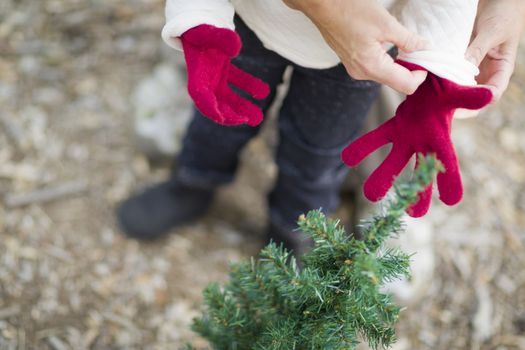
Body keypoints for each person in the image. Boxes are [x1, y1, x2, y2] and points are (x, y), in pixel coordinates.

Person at [117, 0, 525, 253]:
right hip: (252, 20)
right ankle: (194, 182)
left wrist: (436, 76)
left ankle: (292, 230)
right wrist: (199, 16)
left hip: (365, 53)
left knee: (319, 150)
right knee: (221, 117)